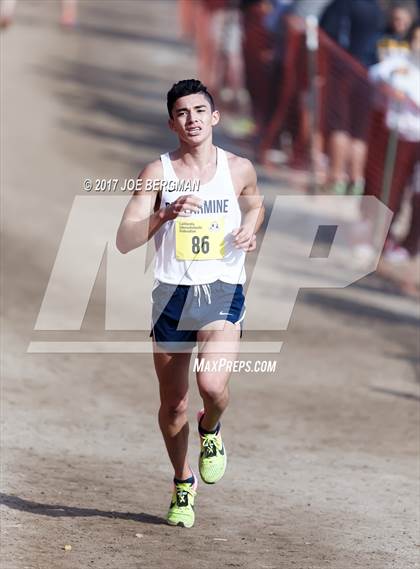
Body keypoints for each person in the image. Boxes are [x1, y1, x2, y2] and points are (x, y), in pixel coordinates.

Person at [116, 79, 264, 528]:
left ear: (214, 117)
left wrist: (250, 229)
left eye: (200, 111)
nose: (192, 119)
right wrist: (164, 213)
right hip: (171, 295)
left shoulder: (238, 168)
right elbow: (124, 240)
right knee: (174, 404)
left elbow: (255, 207)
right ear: (171, 123)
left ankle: (212, 428)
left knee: (212, 386)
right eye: (182, 113)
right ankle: (183, 481)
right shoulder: (157, 173)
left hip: (221, 288)